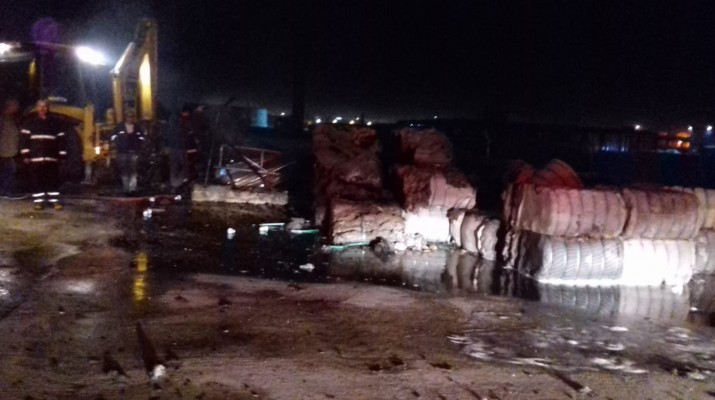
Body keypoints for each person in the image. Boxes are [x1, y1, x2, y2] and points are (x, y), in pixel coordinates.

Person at [20, 99, 67, 210]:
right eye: (40, 106)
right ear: (37, 108)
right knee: (36, 180)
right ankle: (39, 202)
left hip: (51, 158)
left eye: (44, 106)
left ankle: (54, 202)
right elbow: (24, 140)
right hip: (35, 158)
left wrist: (62, 155)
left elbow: (61, 140)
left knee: (53, 180)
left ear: (48, 108)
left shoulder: (55, 123)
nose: (42, 108)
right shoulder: (29, 123)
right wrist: (25, 155)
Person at [111, 110, 146, 194]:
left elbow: (141, 137)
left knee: (133, 170)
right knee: (124, 170)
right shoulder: (119, 127)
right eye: (129, 116)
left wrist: (139, 145)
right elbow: (113, 136)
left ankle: (132, 189)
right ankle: (126, 188)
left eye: (132, 117)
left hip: (133, 152)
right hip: (122, 152)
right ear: (126, 117)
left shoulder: (137, 127)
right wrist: (118, 144)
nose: (130, 118)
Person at [165, 104, 196, 190]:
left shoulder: (173, 122)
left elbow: (168, 134)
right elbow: (187, 135)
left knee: (174, 166)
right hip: (181, 147)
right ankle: (180, 182)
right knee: (183, 166)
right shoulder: (184, 122)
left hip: (173, 147)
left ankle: (174, 183)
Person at [0, 99, 20, 197]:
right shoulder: (3, 119)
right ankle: (6, 192)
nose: (17, 107)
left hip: (10, 151)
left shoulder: (12, 119)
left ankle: (7, 191)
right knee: (9, 171)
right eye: (15, 105)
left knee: (9, 171)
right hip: (4, 151)